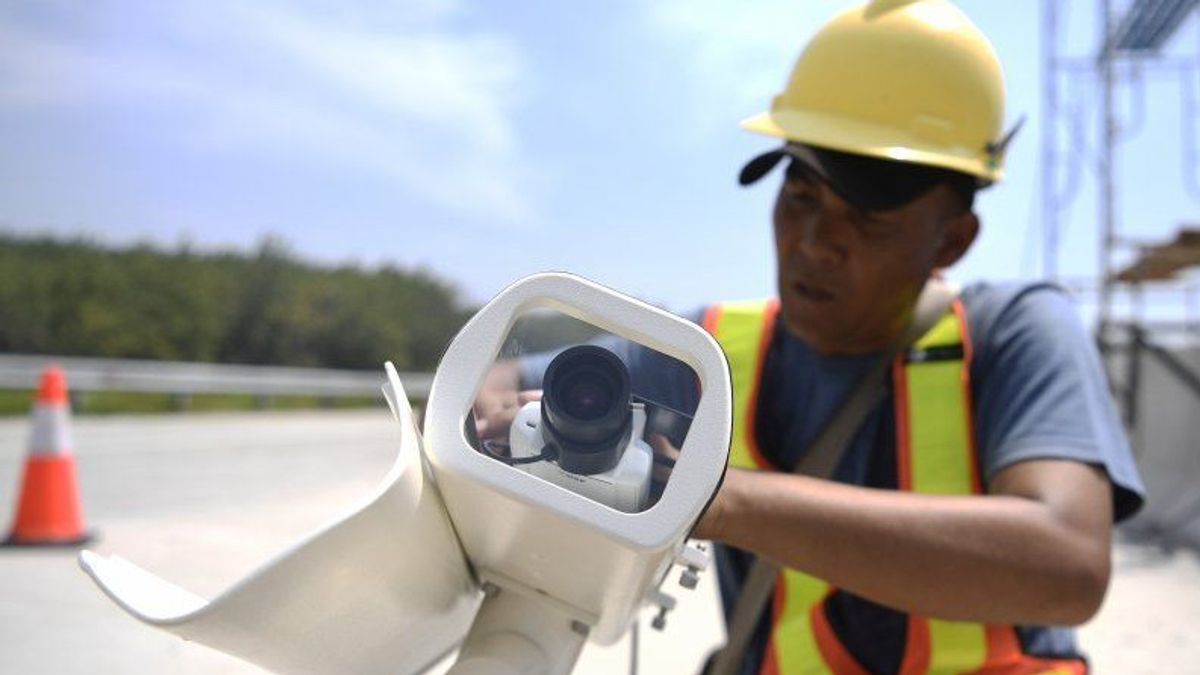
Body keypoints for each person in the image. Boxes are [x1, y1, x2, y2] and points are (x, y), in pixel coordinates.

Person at [475, 2, 1144, 672]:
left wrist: (718, 495)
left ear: (953, 238)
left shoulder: (1012, 333)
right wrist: (502, 415)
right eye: (801, 197)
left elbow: (1066, 563)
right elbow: (491, 379)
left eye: (869, 219)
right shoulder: (714, 350)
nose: (817, 244)